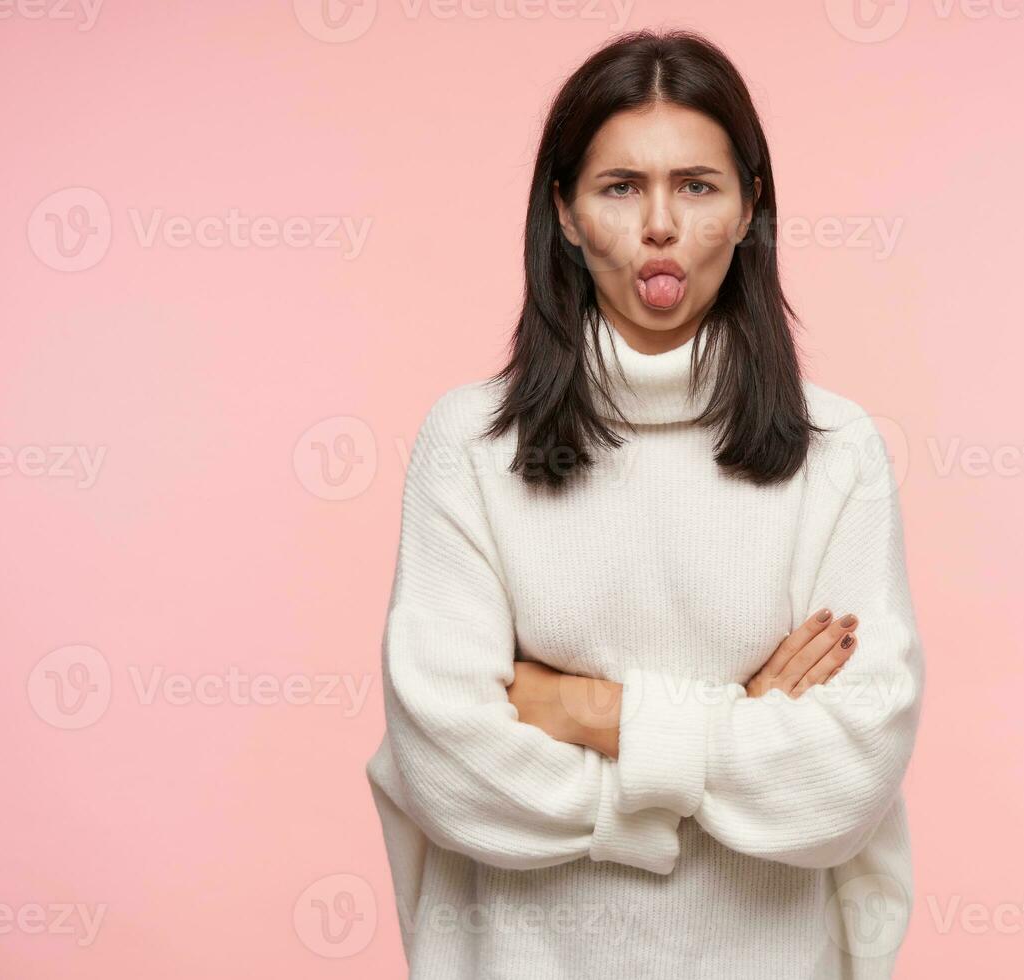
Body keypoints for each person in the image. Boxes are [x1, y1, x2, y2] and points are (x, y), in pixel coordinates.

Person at [365, 28, 925, 979]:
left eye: (697, 185)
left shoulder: (839, 454)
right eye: (620, 187)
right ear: (567, 214)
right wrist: (735, 725)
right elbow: (448, 771)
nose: (658, 224)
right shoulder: (468, 446)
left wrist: (587, 711)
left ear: (750, 209)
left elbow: (848, 777)